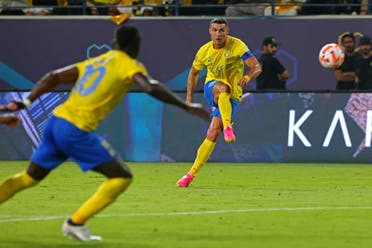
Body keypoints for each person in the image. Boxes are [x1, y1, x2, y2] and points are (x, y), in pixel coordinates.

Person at [0, 25, 209, 242]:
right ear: (135, 46)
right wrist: (186, 106)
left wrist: (26, 102)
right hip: (75, 129)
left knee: (28, 178)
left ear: (115, 43)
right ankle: (76, 222)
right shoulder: (128, 64)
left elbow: (52, 77)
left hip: (55, 123)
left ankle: (75, 223)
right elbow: (150, 87)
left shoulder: (96, 61)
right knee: (121, 176)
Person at [176, 17, 262, 187]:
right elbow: (193, 74)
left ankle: (189, 176)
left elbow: (257, 67)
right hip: (212, 88)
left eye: (221, 30)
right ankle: (229, 127)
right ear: (210, 31)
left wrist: (247, 76)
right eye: (215, 30)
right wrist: (188, 98)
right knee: (223, 88)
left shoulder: (237, 45)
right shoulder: (204, 51)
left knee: (213, 133)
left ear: (227, 31)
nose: (218, 34)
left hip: (233, 97)